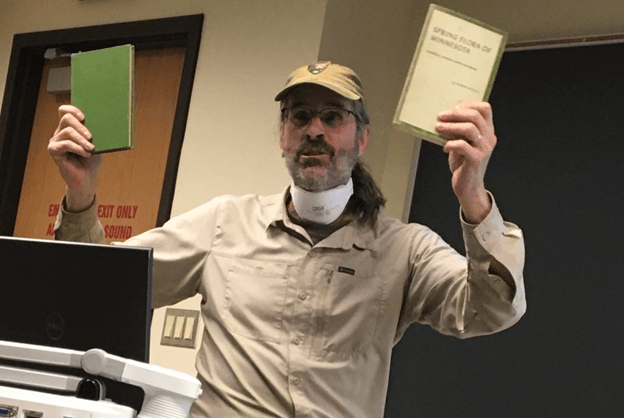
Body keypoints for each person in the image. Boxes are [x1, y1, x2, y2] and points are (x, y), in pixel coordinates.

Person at [49, 61, 526, 418]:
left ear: (361, 138)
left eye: (333, 116)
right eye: (300, 116)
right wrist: (81, 194)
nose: (314, 130)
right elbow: (100, 290)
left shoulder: (406, 249)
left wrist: (473, 197)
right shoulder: (224, 223)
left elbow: (490, 311)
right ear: (283, 135)